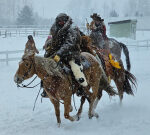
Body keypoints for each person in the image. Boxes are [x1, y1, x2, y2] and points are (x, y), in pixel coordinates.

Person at [41, 13, 88, 97]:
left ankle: (81, 87)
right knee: (45, 64)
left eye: (62, 21)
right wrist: (48, 45)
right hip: (57, 52)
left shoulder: (72, 28)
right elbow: (53, 39)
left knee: (75, 68)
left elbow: (69, 43)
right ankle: (45, 87)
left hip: (71, 52)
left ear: (66, 20)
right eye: (59, 21)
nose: (60, 22)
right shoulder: (55, 28)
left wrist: (59, 53)